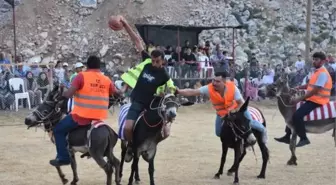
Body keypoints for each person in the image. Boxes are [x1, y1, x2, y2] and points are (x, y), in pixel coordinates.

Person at [118, 16, 176, 161]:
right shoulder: (147, 62)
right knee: (127, 128)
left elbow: (172, 90)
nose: (154, 63)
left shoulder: (164, 75)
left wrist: (167, 93)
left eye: (157, 61)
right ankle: (131, 146)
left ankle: (151, 144)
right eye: (153, 60)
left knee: (166, 133)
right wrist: (125, 24)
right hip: (137, 102)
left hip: (152, 106)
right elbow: (137, 41)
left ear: (162, 61)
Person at [49, 55, 122, 166]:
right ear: (99, 67)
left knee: (58, 130)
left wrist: (61, 93)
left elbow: (69, 94)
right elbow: (117, 94)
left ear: (87, 66)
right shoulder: (106, 79)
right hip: (98, 117)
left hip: (80, 116)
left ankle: (63, 158)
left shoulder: (81, 76)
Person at [176, 71, 267, 143]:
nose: (214, 83)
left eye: (217, 81)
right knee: (218, 132)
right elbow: (193, 92)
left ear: (224, 82)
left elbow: (241, 103)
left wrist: (233, 110)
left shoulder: (233, 88)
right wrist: (179, 91)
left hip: (237, 109)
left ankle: (263, 130)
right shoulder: (209, 88)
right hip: (222, 114)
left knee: (249, 122)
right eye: (213, 80)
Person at [274, 52, 332, 147]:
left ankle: (304, 138)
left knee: (297, 115)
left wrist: (300, 98)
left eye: (316, 60)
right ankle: (287, 136)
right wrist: (298, 88)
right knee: (292, 110)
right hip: (313, 98)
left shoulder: (323, 74)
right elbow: (309, 85)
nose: (314, 61)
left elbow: (315, 90)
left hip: (318, 100)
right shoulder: (317, 71)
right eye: (313, 59)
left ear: (322, 61)